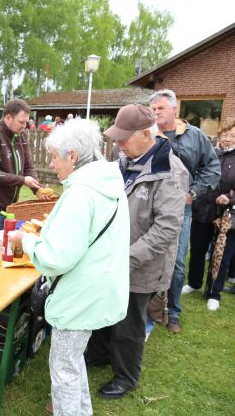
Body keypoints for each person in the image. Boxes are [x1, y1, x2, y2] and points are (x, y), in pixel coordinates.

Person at [9, 118, 130, 415]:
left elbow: (55, 257)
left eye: (54, 157)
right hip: (98, 288)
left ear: (73, 157)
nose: (52, 164)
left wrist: (27, 240)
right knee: (74, 363)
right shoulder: (107, 183)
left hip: (79, 296)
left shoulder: (80, 192)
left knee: (63, 371)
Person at [86, 104, 188, 399]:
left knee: (129, 323)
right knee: (105, 310)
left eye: (124, 139)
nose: (118, 144)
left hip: (142, 265)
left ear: (146, 134)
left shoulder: (170, 172)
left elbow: (166, 230)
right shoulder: (124, 160)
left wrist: (125, 258)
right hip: (114, 258)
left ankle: (126, 377)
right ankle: (101, 354)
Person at [149, 89, 220, 333]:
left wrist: (194, 193)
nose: (156, 112)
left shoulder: (194, 136)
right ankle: (147, 307)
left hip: (181, 209)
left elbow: (212, 167)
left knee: (177, 262)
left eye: (160, 108)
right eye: (153, 109)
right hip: (148, 207)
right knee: (147, 255)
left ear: (174, 109)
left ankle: (173, 311)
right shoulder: (148, 134)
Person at [184, 117, 235, 310]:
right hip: (203, 211)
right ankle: (194, 283)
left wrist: (229, 197)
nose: (228, 138)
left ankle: (214, 293)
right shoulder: (211, 153)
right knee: (197, 249)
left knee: (220, 254)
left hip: (226, 215)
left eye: (232, 135)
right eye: (225, 134)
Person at [0, 99, 47, 228]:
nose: (25, 126)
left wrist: (37, 188)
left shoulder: (21, 135)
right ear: (8, 117)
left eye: (26, 122)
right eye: (21, 122)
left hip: (11, 208)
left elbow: (28, 167)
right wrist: (22, 180)